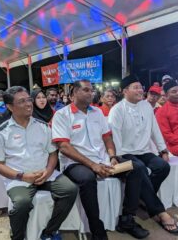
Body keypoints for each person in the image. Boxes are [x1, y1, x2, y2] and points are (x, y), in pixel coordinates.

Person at [52, 80, 153, 240]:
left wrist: (112, 157)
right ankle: (97, 232)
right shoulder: (62, 115)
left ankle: (127, 219)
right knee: (87, 178)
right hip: (76, 164)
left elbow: (107, 138)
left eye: (91, 90)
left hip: (104, 161)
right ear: (74, 93)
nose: (90, 93)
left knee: (136, 167)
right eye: (85, 90)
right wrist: (93, 165)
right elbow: (64, 147)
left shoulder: (97, 113)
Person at [0, 86, 77, 240]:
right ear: (10, 107)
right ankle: (18, 236)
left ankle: (49, 232)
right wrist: (23, 176)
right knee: (21, 204)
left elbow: (52, 153)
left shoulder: (42, 126)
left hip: (46, 174)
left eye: (29, 99)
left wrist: (48, 171)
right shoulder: (1, 132)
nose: (29, 104)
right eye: (22, 101)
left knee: (70, 190)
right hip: (19, 179)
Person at [108, 75, 178, 234]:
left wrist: (163, 149)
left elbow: (155, 129)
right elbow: (115, 140)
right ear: (125, 91)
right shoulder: (117, 110)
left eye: (141, 87)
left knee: (163, 167)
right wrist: (118, 158)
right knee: (139, 168)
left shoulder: (146, 106)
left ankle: (144, 198)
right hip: (124, 153)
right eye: (135, 87)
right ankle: (159, 211)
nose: (140, 90)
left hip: (143, 151)